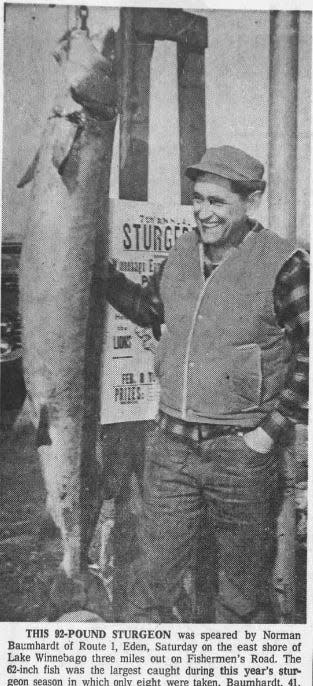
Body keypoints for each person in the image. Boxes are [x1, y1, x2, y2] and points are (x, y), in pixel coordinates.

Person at [104, 145, 309, 623]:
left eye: (218, 202)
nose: (203, 212)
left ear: (251, 200)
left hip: (240, 454)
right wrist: (100, 275)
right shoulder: (180, 253)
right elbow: (149, 309)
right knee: (151, 583)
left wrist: (268, 433)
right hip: (171, 448)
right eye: (198, 199)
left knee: (240, 595)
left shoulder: (285, 264)